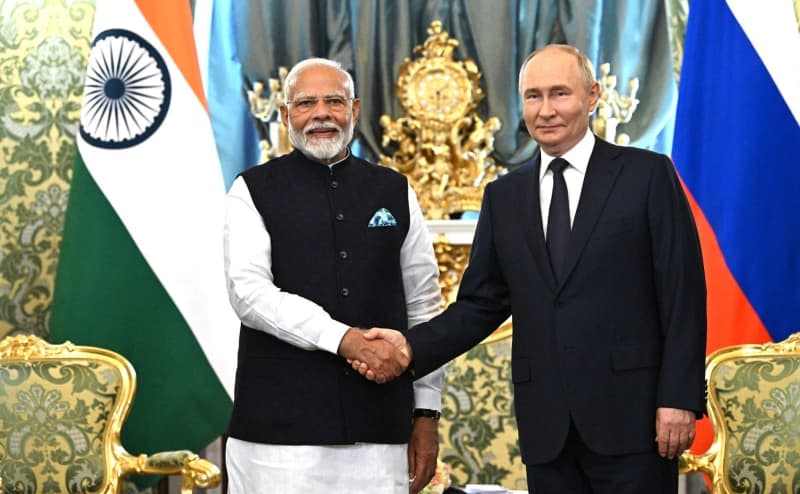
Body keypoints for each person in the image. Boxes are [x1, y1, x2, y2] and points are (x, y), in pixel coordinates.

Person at [355, 44, 707, 493]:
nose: (545, 110)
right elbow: (479, 306)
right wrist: (408, 348)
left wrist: (677, 399)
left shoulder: (647, 175)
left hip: (634, 421)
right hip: (547, 429)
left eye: (560, 93)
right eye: (533, 96)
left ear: (593, 95)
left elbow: (683, 296)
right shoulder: (505, 197)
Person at [223, 57, 444, 494]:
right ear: (285, 115)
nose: (321, 113)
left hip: (381, 429)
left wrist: (426, 414)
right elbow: (248, 294)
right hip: (278, 436)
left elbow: (424, 306)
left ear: (355, 110)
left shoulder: (394, 189)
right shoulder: (251, 188)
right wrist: (344, 338)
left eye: (334, 101)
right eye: (306, 103)